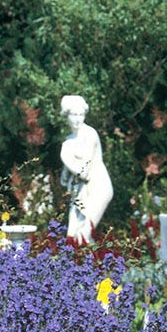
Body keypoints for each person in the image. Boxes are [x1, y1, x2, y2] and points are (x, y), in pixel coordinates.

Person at [60, 95, 113, 244]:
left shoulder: (89, 134)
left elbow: (84, 172)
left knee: (84, 234)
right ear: (67, 115)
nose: (78, 119)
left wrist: (64, 156)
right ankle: (75, 266)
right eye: (74, 115)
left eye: (81, 114)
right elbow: (64, 179)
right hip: (80, 190)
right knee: (73, 236)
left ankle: (93, 265)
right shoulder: (69, 140)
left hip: (99, 187)